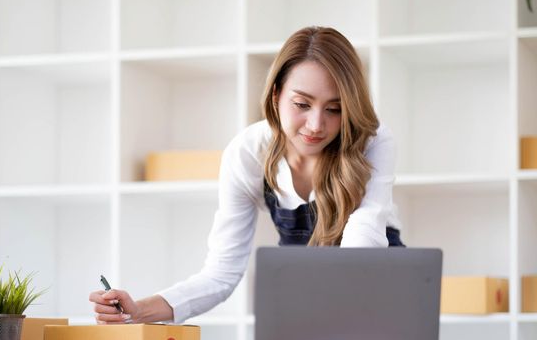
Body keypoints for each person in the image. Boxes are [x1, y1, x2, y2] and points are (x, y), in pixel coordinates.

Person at [89, 26, 403, 325]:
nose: (316, 125)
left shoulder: (373, 142)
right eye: (302, 104)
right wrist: (137, 311)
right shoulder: (248, 153)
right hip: (308, 296)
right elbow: (221, 272)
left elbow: (363, 238)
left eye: (334, 109)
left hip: (375, 287)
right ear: (277, 95)